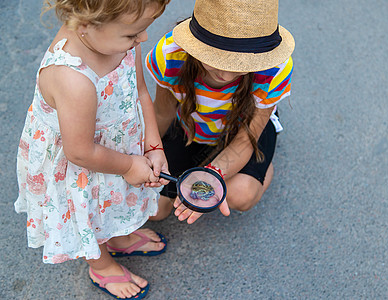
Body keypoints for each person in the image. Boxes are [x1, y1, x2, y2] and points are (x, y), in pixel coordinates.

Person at [15, 0, 171, 299]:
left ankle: (119, 235)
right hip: (82, 163)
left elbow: (139, 91)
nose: (143, 39)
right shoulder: (72, 78)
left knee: (113, 198)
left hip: (116, 144)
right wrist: (127, 166)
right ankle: (101, 264)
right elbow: (81, 153)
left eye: (143, 30)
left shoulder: (120, 41)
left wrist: (153, 146)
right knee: (87, 210)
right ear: (85, 24)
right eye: (133, 34)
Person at [145, 0, 295, 224]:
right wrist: (147, 153)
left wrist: (211, 175)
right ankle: (216, 160)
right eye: (215, 57)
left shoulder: (275, 68)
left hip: (245, 128)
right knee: (155, 211)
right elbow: (162, 114)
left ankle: (259, 169)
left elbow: (247, 139)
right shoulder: (171, 54)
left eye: (239, 62)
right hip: (192, 121)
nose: (225, 74)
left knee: (240, 193)